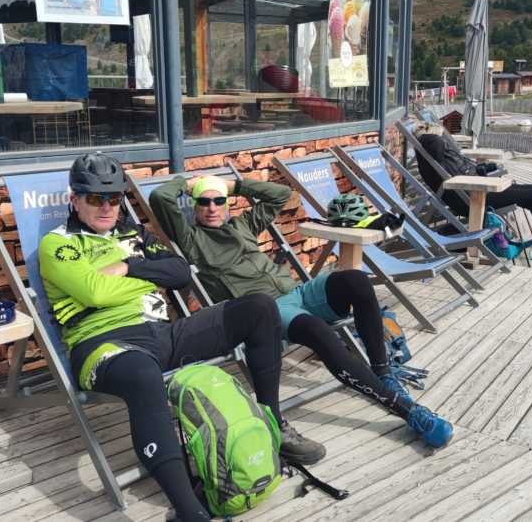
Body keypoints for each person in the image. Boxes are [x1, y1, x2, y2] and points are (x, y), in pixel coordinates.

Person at [40, 153, 324, 522]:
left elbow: (179, 272)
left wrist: (127, 267)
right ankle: (189, 511)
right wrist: (147, 277)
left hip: (163, 333)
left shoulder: (134, 234)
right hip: (105, 345)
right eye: (96, 198)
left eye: (114, 198)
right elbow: (94, 293)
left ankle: (273, 424)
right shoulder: (58, 244)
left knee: (259, 308)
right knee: (144, 376)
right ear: (75, 200)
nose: (107, 206)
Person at [150, 173, 454, 449]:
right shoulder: (191, 239)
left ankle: (383, 373)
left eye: (219, 200)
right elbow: (160, 197)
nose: (212, 208)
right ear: (194, 206)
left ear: (227, 203)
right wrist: (189, 184)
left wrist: (235, 185)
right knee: (317, 331)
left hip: (299, 291)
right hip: (267, 309)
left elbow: (281, 194)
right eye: (203, 202)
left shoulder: (242, 224)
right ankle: (408, 411)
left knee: (357, 281)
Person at [414, 127, 532, 248]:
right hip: (469, 198)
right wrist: (436, 135)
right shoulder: (430, 142)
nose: (445, 138)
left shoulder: (435, 149)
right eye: (442, 135)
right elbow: (435, 147)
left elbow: (450, 161)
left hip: (471, 190)